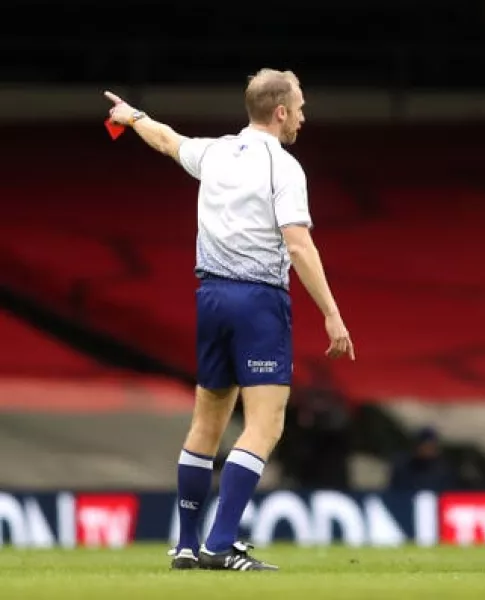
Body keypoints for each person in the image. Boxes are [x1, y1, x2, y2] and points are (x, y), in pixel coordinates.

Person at [103, 68, 355, 572]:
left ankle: (186, 544)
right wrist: (332, 314)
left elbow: (168, 141)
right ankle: (220, 544)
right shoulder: (283, 168)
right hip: (258, 301)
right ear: (280, 112)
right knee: (266, 424)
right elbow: (298, 244)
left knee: (206, 424)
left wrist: (132, 117)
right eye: (300, 106)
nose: (303, 116)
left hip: (210, 297)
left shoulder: (217, 152)